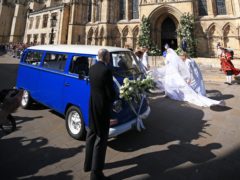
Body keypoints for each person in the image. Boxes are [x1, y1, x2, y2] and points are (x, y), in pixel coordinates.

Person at [150, 48, 225, 107]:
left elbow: (189, 71)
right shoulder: (190, 59)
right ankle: (200, 94)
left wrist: (188, 79)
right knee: (197, 87)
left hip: (193, 77)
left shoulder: (188, 61)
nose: (180, 58)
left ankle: (199, 95)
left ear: (184, 56)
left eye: (181, 56)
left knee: (193, 88)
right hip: (196, 76)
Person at [84, 49, 116, 180]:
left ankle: (87, 165)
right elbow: (110, 93)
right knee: (101, 139)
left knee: (91, 135)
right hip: (102, 108)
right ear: (106, 57)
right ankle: (96, 173)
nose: (109, 58)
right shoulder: (106, 70)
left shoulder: (92, 68)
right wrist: (115, 97)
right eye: (109, 56)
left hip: (92, 105)